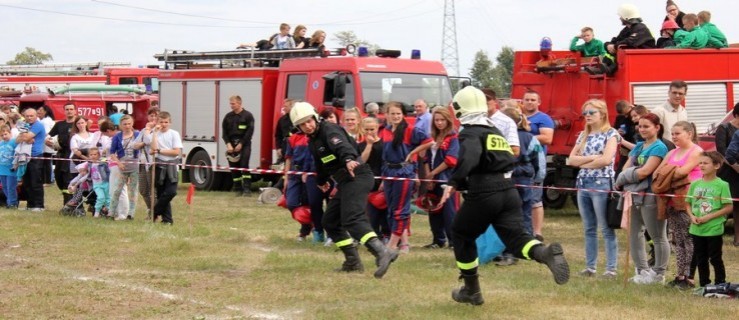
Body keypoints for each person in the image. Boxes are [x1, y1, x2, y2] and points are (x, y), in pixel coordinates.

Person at [439, 86, 569, 306]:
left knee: (461, 234)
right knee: (517, 239)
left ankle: (471, 290)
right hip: (508, 190)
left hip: (484, 192)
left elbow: (469, 158)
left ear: (460, 109)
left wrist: (454, 182)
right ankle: (544, 253)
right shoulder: (494, 131)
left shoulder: (470, 132)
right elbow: (509, 158)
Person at [289, 101, 398, 278]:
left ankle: (382, 252)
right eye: (302, 124)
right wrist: (321, 180)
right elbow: (322, 163)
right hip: (346, 181)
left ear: (315, 117)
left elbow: (341, 147)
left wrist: (348, 159)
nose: (307, 126)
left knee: (352, 219)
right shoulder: (314, 141)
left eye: (309, 121)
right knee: (330, 221)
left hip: (357, 175)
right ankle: (352, 261)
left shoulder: (329, 130)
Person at [616, 113, 670, 285]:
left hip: (650, 196)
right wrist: (629, 174)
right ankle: (642, 270)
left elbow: (646, 171)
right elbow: (626, 167)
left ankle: (659, 273)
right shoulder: (638, 146)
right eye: (640, 126)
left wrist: (624, 178)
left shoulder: (659, 148)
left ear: (657, 127)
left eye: (646, 126)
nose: (642, 129)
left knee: (658, 236)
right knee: (634, 234)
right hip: (633, 195)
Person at [568, 100, 620, 278]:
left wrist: (583, 162)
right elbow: (571, 160)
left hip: (602, 183)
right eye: (585, 113)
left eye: (592, 112)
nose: (588, 116)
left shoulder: (611, 134)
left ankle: (611, 268)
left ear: (603, 114)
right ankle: (590, 267)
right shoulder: (583, 135)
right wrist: (592, 158)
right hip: (583, 183)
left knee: (606, 228)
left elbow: (606, 160)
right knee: (589, 228)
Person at [380, 101, 433, 253]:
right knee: (391, 208)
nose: (395, 116)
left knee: (400, 209)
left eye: (398, 113)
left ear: (403, 114)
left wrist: (412, 153)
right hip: (388, 171)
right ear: (387, 115)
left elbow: (429, 141)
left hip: (404, 172)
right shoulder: (386, 130)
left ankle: (392, 244)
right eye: (392, 113)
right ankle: (402, 242)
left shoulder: (410, 130)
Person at [655, 121, 703, 288]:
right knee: (678, 240)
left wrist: (668, 172)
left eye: (677, 133)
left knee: (690, 239)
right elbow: (657, 172)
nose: (674, 137)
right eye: (672, 133)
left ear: (689, 134)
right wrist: (671, 173)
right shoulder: (673, 152)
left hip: (689, 201)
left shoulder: (697, 151)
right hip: (672, 200)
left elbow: (682, 172)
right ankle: (679, 275)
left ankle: (690, 277)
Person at [686, 151, 732, 287]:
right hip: (696, 229)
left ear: (717, 165)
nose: (701, 165)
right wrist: (692, 216)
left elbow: (728, 207)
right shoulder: (694, 184)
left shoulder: (722, 185)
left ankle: (720, 283)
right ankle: (704, 284)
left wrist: (709, 217)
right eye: (700, 163)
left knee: (715, 258)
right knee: (701, 258)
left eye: (705, 163)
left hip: (713, 228)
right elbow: (688, 203)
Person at [502, 106, 544, 243]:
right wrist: (538, 178)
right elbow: (539, 159)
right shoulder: (531, 138)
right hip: (525, 179)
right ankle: (526, 241)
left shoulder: (501, 137)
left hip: (506, 178)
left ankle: (508, 242)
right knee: (526, 211)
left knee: (507, 212)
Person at [421, 107, 459, 249]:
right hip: (432, 179)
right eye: (436, 120)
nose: (439, 123)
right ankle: (438, 239)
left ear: (448, 120)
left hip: (446, 179)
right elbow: (425, 158)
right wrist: (428, 177)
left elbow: (451, 160)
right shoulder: (432, 137)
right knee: (433, 209)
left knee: (449, 211)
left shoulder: (453, 137)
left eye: (442, 120)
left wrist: (433, 173)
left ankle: (454, 241)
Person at [284, 128, 325, 243]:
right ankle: (309, 224)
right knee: (291, 203)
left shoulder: (316, 136)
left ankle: (306, 231)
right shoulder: (293, 138)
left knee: (309, 203)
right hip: (295, 175)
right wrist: (286, 177)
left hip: (310, 174)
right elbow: (288, 158)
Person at [522, 91, 553, 241]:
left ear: (539, 102)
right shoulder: (518, 117)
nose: (529, 102)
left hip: (535, 163)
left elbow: (547, 138)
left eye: (533, 100)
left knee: (535, 199)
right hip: (518, 164)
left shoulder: (543, 118)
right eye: (527, 99)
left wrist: (524, 138)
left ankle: (537, 233)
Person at [590, 4, 655, 76]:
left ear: (626, 17)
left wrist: (614, 46)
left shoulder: (641, 28)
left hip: (644, 59)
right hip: (634, 59)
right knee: (615, 48)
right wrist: (608, 45)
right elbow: (616, 40)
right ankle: (604, 67)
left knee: (622, 47)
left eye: (621, 16)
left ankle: (610, 69)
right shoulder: (627, 29)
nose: (620, 18)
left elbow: (631, 41)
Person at [359, 117, 390, 242]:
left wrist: (384, 179)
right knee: (371, 213)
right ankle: (375, 235)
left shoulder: (384, 144)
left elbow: (386, 163)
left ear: (377, 128)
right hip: (367, 182)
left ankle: (387, 234)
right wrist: (369, 145)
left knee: (384, 210)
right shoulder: (361, 145)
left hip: (382, 180)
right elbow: (361, 161)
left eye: (372, 129)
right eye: (367, 129)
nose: (370, 132)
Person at [150, 112, 183, 225]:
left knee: (171, 192)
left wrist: (160, 151)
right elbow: (153, 149)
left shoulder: (174, 134)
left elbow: (176, 152)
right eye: (161, 122)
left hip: (172, 167)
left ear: (170, 122)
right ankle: (167, 220)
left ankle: (154, 211)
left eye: (166, 122)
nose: (164, 124)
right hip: (159, 166)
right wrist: (154, 133)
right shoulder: (155, 134)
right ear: (157, 122)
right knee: (161, 193)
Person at [109, 115, 144, 220]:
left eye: (129, 123)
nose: (127, 126)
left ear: (132, 123)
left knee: (133, 191)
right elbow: (112, 153)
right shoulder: (117, 137)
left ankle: (131, 214)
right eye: (125, 124)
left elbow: (144, 145)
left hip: (135, 166)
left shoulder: (137, 134)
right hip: (122, 166)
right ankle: (111, 212)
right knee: (117, 190)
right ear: (121, 125)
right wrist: (118, 163)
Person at [714, 103, 739, 247]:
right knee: (729, 204)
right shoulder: (724, 128)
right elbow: (721, 152)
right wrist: (735, 167)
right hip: (728, 171)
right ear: (736, 115)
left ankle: (737, 237)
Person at [222, 95, 255, 196]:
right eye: (230, 104)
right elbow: (224, 133)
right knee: (233, 167)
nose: (231, 106)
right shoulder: (228, 117)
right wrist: (228, 144)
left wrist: (241, 144)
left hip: (244, 144)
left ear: (239, 103)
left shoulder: (248, 116)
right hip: (231, 145)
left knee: (244, 165)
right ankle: (237, 188)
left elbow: (249, 132)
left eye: (233, 104)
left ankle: (247, 189)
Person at [47, 103, 78, 206]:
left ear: (75, 111)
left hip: (73, 156)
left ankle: (69, 205)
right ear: (64, 111)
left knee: (68, 180)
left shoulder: (78, 124)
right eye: (67, 109)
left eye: (71, 109)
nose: (69, 111)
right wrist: (48, 141)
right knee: (58, 178)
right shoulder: (59, 124)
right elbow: (49, 136)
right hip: (61, 155)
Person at [17, 108, 46, 211]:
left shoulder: (38, 125)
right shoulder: (26, 125)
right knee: (27, 182)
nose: (29, 118)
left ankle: (39, 205)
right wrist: (26, 137)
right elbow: (17, 139)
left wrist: (25, 137)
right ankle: (30, 205)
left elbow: (25, 138)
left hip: (35, 157)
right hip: (25, 156)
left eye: (31, 116)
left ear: (36, 116)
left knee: (36, 182)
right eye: (27, 116)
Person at [483, 88, 520, 156]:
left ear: (495, 101)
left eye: (488, 99)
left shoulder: (507, 122)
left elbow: (515, 151)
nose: (485, 102)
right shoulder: (473, 120)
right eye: (481, 100)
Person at [138, 107, 159, 219]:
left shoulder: (159, 130)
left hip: (153, 163)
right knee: (143, 190)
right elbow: (135, 144)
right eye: (151, 116)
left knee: (153, 191)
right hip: (143, 162)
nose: (153, 118)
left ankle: (155, 213)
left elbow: (148, 141)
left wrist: (147, 130)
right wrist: (142, 144)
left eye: (156, 116)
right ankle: (151, 209)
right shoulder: (143, 130)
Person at [76, 147, 110, 218]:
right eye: (91, 155)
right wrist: (77, 183)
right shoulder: (89, 164)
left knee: (107, 199)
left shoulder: (103, 163)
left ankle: (108, 212)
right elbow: (87, 174)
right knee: (101, 198)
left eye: (95, 154)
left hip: (105, 183)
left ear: (98, 155)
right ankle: (97, 212)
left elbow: (108, 172)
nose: (93, 156)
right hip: (96, 185)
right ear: (89, 156)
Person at [614, 100, 635, 174]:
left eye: (627, 114)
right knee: (621, 169)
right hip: (625, 147)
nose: (626, 116)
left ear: (630, 107)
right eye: (623, 115)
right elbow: (615, 128)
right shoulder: (619, 117)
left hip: (637, 144)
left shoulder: (637, 113)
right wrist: (618, 131)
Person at [0, 126, 18, 209]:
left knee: (11, 186)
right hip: (2, 168)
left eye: (5, 134)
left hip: (11, 169)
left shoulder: (14, 142)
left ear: (10, 133)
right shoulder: (1, 143)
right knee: (4, 187)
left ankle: (13, 203)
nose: (4, 136)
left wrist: (16, 164)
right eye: (2, 135)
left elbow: (18, 154)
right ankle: (9, 201)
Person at [36, 105, 55, 185]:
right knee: (46, 162)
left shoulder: (46, 121)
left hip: (46, 144)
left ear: (45, 112)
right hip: (45, 144)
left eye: (41, 110)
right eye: (38, 109)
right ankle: (46, 179)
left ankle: (48, 180)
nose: (38, 111)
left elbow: (46, 133)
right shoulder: (43, 120)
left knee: (47, 162)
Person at [274, 99, 296, 165]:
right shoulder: (282, 120)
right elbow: (278, 135)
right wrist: (278, 148)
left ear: (291, 107)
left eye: (285, 106)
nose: (283, 108)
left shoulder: (297, 119)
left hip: (296, 148)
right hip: (285, 147)